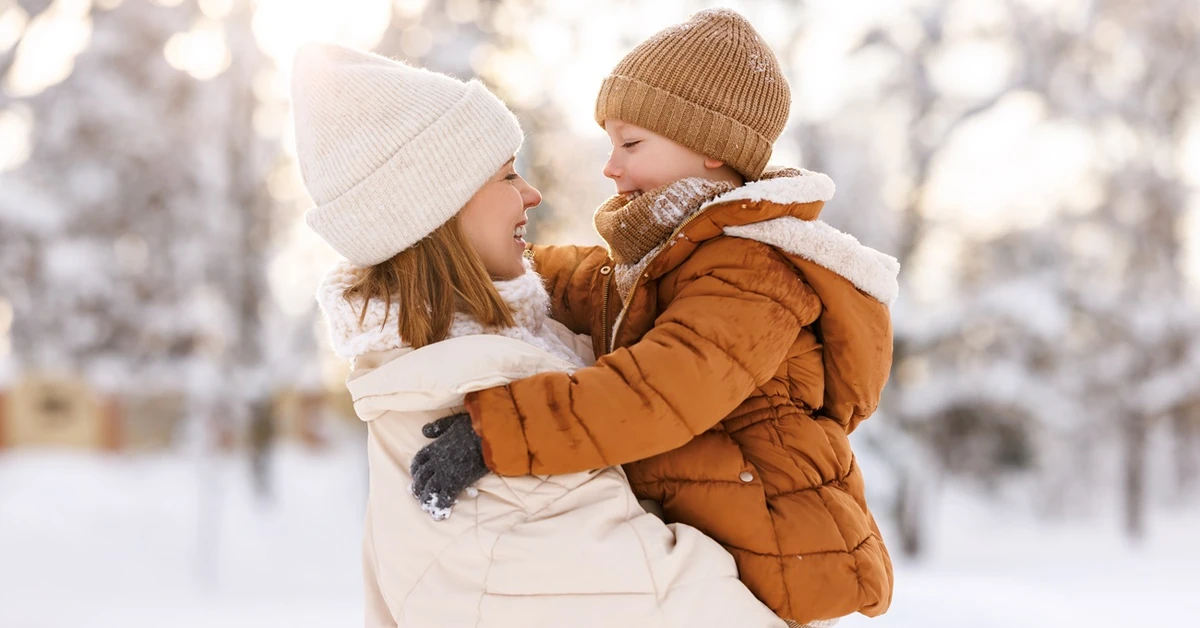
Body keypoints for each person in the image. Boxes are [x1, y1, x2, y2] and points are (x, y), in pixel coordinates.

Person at [410, 9, 899, 627]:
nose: (610, 167)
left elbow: (661, 390)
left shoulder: (752, 272)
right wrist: (476, 252)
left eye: (631, 144)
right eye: (611, 143)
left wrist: (500, 433)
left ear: (714, 150)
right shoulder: (666, 263)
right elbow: (579, 280)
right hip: (719, 539)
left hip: (776, 553)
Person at [293, 42, 785, 628]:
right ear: (438, 212)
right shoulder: (480, 395)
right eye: (506, 175)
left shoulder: (449, 370)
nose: (532, 193)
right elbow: (686, 609)